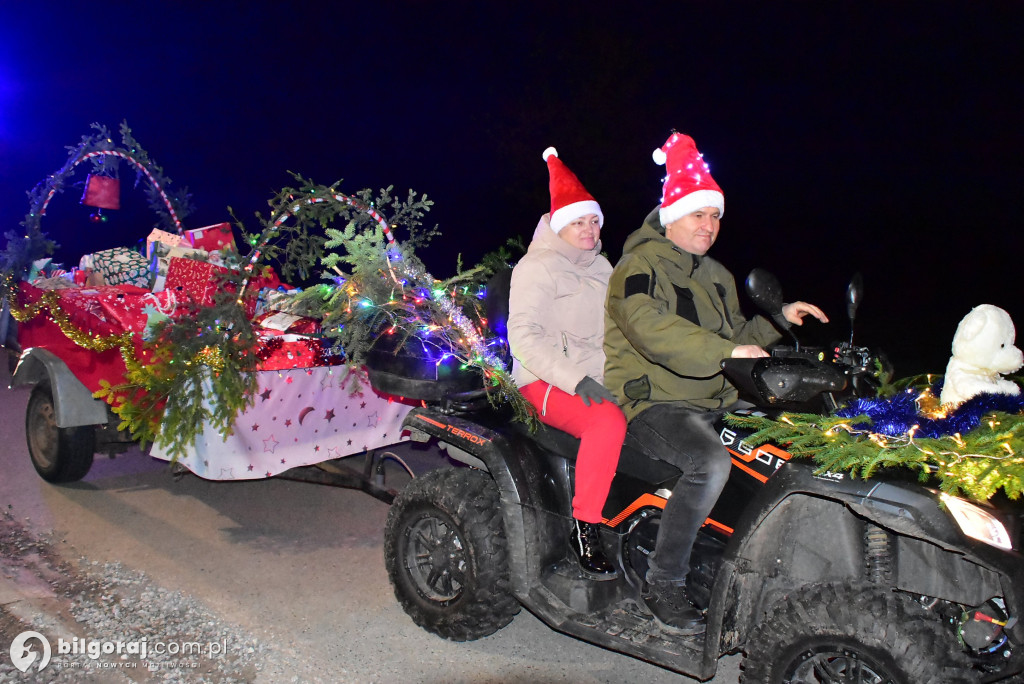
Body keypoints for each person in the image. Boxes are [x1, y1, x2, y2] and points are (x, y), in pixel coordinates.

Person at [604, 132, 828, 632]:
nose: (708, 225)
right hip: (653, 401)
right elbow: (648, 327)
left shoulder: (718, 276)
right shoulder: (637, 268)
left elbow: (735, 339)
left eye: (714, 215)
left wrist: (779, 319)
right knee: (707, 464)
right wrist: (726, 352)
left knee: (789, 444)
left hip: (714, 399)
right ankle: (664, 581)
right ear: (670, 216)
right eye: (697, 214)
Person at [508, 147, 627, 578]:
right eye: (579, 222)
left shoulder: (603, 268)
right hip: (544, 378)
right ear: (559, 224)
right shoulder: (537, 267)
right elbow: (523, 338)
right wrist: (575, 380)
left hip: (597, 373)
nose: (589, 229)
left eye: (594, 221)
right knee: (606, 421)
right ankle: (586, 527)